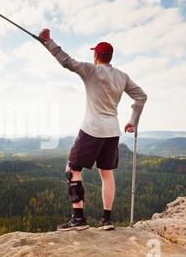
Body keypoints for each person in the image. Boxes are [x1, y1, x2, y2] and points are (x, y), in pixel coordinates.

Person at [38, 28, 147, 231]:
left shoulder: (90, 70)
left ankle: (78, 218)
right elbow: (141, 96)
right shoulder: (122, 76)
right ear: (110, 57)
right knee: (107, 173)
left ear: (96, 55)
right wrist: (133, 120)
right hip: (113, 131)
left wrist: (48, 42)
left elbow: (66, 61)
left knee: (72, 169)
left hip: (92, 129)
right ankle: (106, 220)